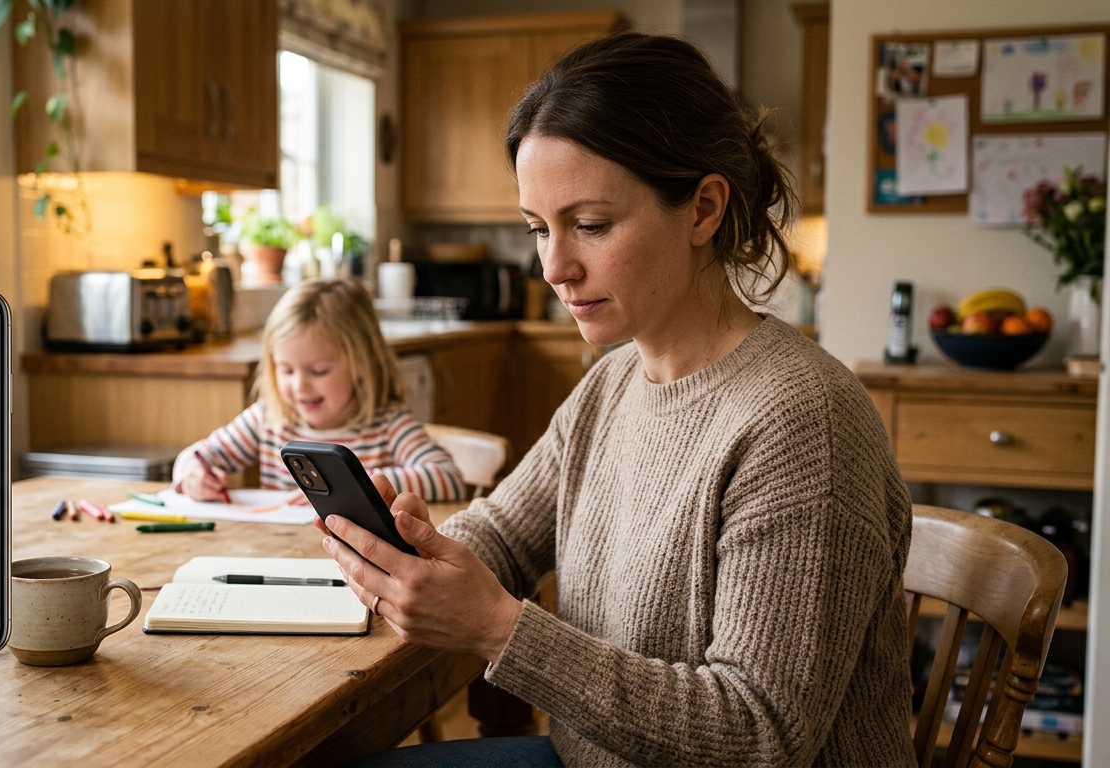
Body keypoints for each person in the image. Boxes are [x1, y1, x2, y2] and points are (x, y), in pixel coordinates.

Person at [321, 33, 916, 767]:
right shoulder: (613, 383)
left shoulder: (803, 420)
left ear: (703, 209)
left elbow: (760, 732)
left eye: (591, 226)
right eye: (539, 229)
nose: (554, 267)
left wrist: (500, 629)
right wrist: (414, 552)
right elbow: (504, 533)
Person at [172, 278, 464, 504]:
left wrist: (356, 486)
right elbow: (198, 456)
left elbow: (448, 478)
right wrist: (192, 474)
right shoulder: (268, 419)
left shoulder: (389, 424)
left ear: (362, 364)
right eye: (286, 370)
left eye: (319, 371)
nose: (300, 386)